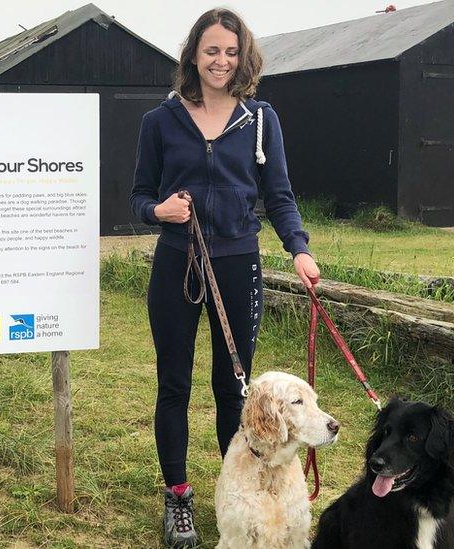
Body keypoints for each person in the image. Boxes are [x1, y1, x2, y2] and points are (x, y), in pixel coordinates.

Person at [129, 7, 320, 547]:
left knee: (232, 387)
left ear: (244, 58)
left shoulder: (261, 120)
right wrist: (158, 211)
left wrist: (299, 250)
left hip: (239, 263)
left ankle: (234, 491)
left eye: (231, 52)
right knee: (174, 385)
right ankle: (179, 498)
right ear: (194, 54)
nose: (221, 60)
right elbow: (139, 196)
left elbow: (279, 195)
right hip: (177, 265)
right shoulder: (159, 122)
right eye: (212, 50)